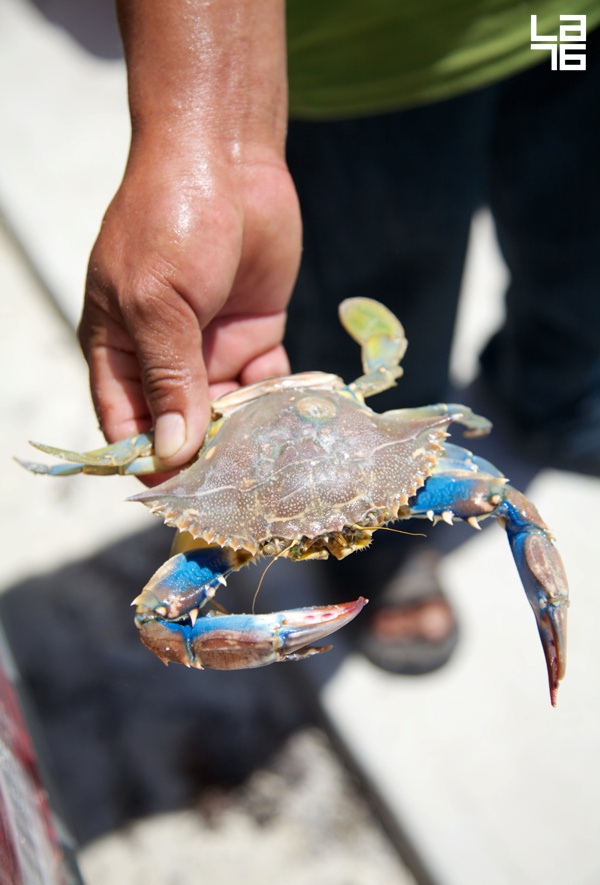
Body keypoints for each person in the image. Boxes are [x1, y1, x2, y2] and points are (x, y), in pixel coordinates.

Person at [78, 1, 600, 673]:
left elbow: (506, 504)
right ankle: (385, 551)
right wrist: (208, 137)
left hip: (563, 22)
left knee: (578, 238)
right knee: (388, 268)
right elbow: (162, 622)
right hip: (372, 55)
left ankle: (562, 398)